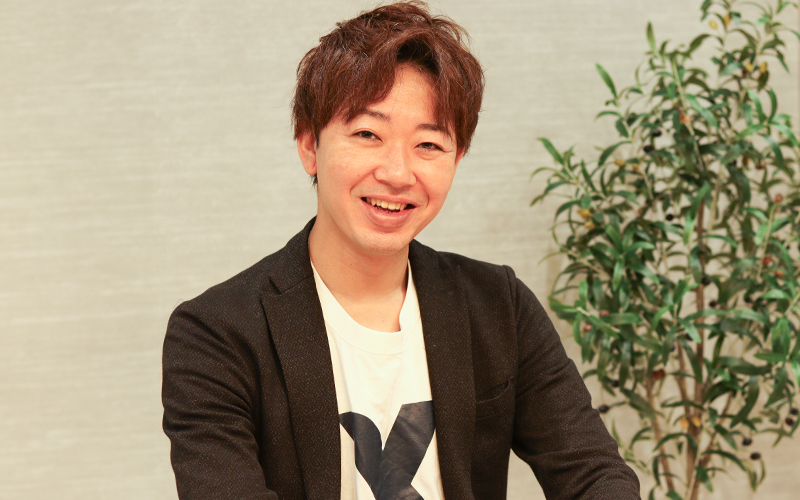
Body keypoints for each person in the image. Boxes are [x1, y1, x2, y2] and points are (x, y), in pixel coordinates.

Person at [161, 2, 641, 499]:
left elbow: (594, 474)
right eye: (367, 134)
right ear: (309, 145)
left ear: (457, 157)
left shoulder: (499, 305)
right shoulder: (216, 334)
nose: (397, 173)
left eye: (428, 145)